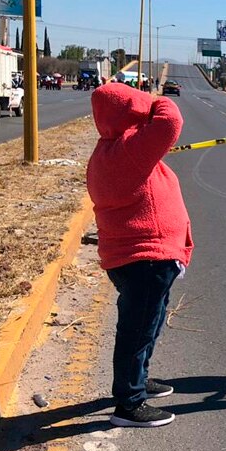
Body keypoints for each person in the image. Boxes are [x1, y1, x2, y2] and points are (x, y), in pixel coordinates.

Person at [87, 83, 194, 427]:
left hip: (137, 258)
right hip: (145, 259)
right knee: (137, 330)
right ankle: (129, 404)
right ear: (130, 111)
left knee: (147, 324)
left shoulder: (109, 151)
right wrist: (155, 100)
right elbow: (170, 121)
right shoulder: (128, 151)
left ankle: (138, 380)